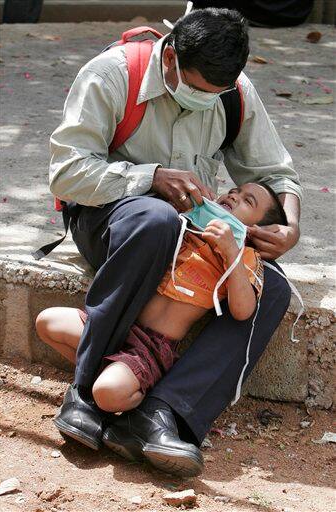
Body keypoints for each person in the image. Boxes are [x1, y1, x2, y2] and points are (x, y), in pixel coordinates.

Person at [48, 7, 302, 476]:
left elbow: (275, 174)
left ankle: (164, 412)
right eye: (198, 89)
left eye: (217, 94)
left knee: (275, 290)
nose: (208, 101)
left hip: (190, 240)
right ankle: (85, 391)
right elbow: (66, 175)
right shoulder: (112, 75)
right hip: (115, 222)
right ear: (171, 59)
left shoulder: (233, 91)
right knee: (156, 219)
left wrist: (289, 224)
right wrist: (150, 178)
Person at [37, 183, 286, 409]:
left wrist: (231, 251)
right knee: (47, 322)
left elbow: (243, 311)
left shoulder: (245, 258)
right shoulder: (187, 227)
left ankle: (138, 394)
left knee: (106, 393)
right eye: (235, 190)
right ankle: (112, 371)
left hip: (151, 346)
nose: (234, 195)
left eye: (247, 201)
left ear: (255, 230)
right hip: (116, 325)